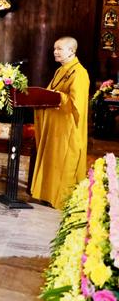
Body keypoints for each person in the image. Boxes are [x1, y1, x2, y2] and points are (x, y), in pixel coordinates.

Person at [32, 36, 91, 209]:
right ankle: (48, 194)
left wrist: (55, 96)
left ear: (72, 51)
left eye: (59, 49)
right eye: (54, 49)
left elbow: (76, 104)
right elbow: (51, 92)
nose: (55, 52)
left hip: (68, 128)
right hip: (55, 126)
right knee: (53, 162)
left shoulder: (80, 73)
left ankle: (62, 199)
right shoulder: (61, 70)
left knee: (64, 164)